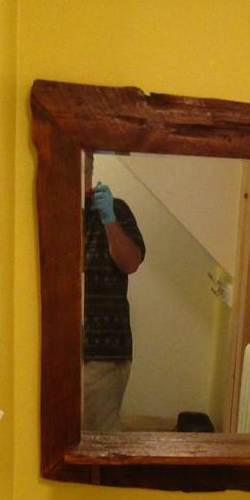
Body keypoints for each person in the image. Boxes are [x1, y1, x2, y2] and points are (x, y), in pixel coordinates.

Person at [82, 154, 146, 432]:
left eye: (85, 164)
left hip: (104, 350)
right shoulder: (54, 203)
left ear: (91, 167)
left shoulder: (117, 210)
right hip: (59, 347)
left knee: (98, 436)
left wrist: (109, 220)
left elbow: (130, 263)